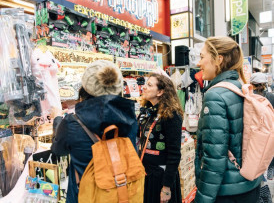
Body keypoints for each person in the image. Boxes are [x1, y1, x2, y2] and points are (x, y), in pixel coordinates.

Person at [51, 60, 138, 203]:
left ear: (85, 86)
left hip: (86, 194)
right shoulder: (129, 117)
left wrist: (57, 121)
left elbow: (58, 150)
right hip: (120, 192)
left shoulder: (73, 122)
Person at [195, 36, 262, 203]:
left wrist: (202, 199)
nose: (199, 63)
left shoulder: (215, 95)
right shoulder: (240, 88)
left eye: (202, 57)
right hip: (249, 184)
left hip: (227, 192)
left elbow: (214, 159)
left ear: (218, 59)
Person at [138, 73, 184, 203]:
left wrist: (166, 187)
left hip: (161, 177)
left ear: (160, 92)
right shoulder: (147, 112)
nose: (144, 87)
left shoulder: (171, 115)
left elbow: (174, 154)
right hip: (147, 174)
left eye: (149, 85)